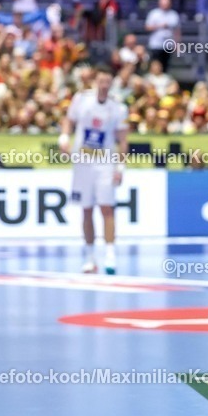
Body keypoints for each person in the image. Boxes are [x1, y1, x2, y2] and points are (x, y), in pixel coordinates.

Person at [59, 67, 129, 275]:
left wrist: (120, 166)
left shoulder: (118, 107)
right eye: (101, 81)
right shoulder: (81, 100)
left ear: (112, 83)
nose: (104, 85)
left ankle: (110, 255)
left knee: (107, 208)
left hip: (105, 162)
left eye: (108, 81)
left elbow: (123, 140)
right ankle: (90, 257)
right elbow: (69, 121)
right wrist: (64, 138)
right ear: (95, 82)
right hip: (82, 161)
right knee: (86, 209)